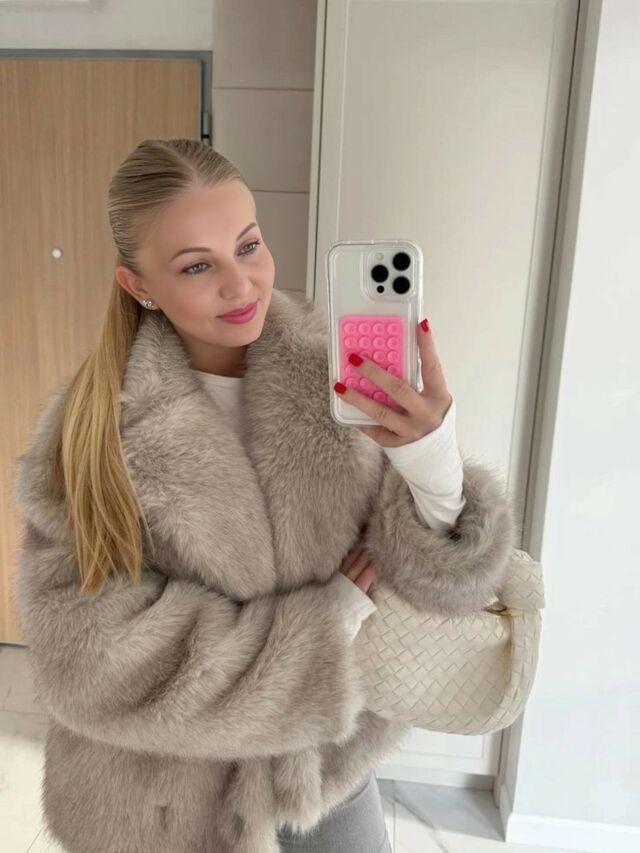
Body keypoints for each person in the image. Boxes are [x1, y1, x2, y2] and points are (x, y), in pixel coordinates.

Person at [11, 139, 518, 853]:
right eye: (197, 266)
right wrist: (327, 621)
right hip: (160, 808)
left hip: (328, 772)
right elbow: (92, 660)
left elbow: (442, 587)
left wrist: (430, 459)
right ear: (139, 285)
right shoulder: (93, 431)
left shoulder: (341, 378)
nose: (241, 284)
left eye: (248, 246)